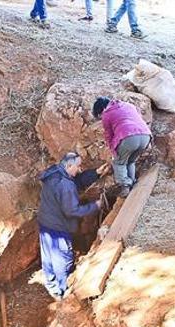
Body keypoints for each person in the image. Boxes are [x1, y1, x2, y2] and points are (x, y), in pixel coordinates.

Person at [37, 152, 110, 299]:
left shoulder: (55, 173)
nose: (80, 169)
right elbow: (72, 210)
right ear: (69, 165)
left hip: (45, 222)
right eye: (78, 166)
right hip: (58, 227)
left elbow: (76, 182)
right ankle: (62, 291)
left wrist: (95, 173)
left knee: (48, 257)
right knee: (62, 259)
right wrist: (95, 206)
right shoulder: (65, 185)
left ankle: (51, 286)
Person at [92, 96, 152, 197]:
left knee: (119, 163)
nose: (101, 117)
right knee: (131, 161)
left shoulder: (107, 114)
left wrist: (113, 150)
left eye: (99, 115)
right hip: (145, 136)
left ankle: (125, 187)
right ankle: (132, 181)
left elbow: (108, 135)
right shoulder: (129, 105)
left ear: (101, 109)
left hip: (128, 137)